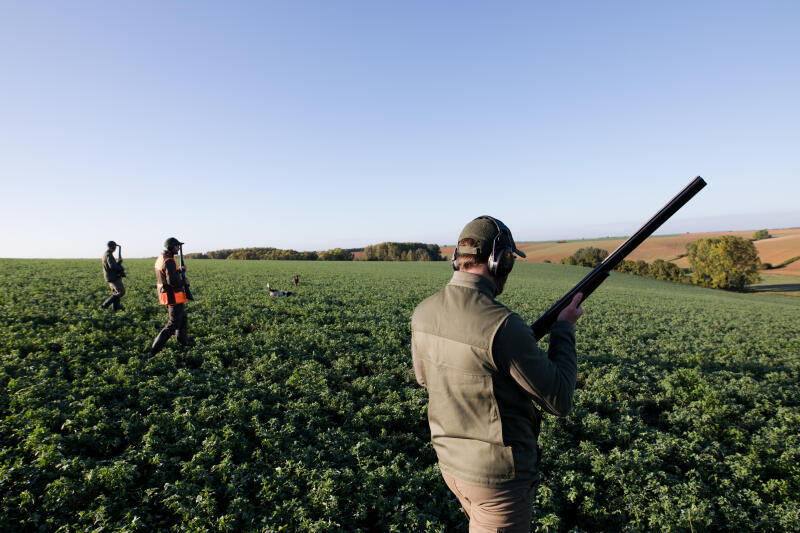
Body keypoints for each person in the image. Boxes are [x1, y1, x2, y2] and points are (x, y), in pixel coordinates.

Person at [411, 216, 584, 532]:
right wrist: (564, 329)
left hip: (451, 467)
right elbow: (560, 398)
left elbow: (425, 379)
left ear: (457, 258)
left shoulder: (423, 312)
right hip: (497, 483)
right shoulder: (502, 325)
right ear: (500, 260)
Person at [150, 237, 191, 355]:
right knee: (172, 325)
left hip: (167, 295)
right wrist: (185, 282)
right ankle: (154, 351)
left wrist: (178, 271)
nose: (178, 248)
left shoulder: (161, 259)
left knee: (182, 319)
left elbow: (168, 274)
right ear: (171, 247)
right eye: (177, 246)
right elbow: (173, 282)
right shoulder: (169, 261)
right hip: (173, 296)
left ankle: (183, 343)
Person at [101, 240, 125, 310]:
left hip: (110, 277)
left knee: (116, 292)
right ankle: (105, 305)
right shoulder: (108, 254)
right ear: (113, 247)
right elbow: (112, 266)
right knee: (121, 292)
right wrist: (119, 264)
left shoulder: (106, 254)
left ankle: (116, 308)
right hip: (113, 277)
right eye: (115, 247)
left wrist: (118, 263)